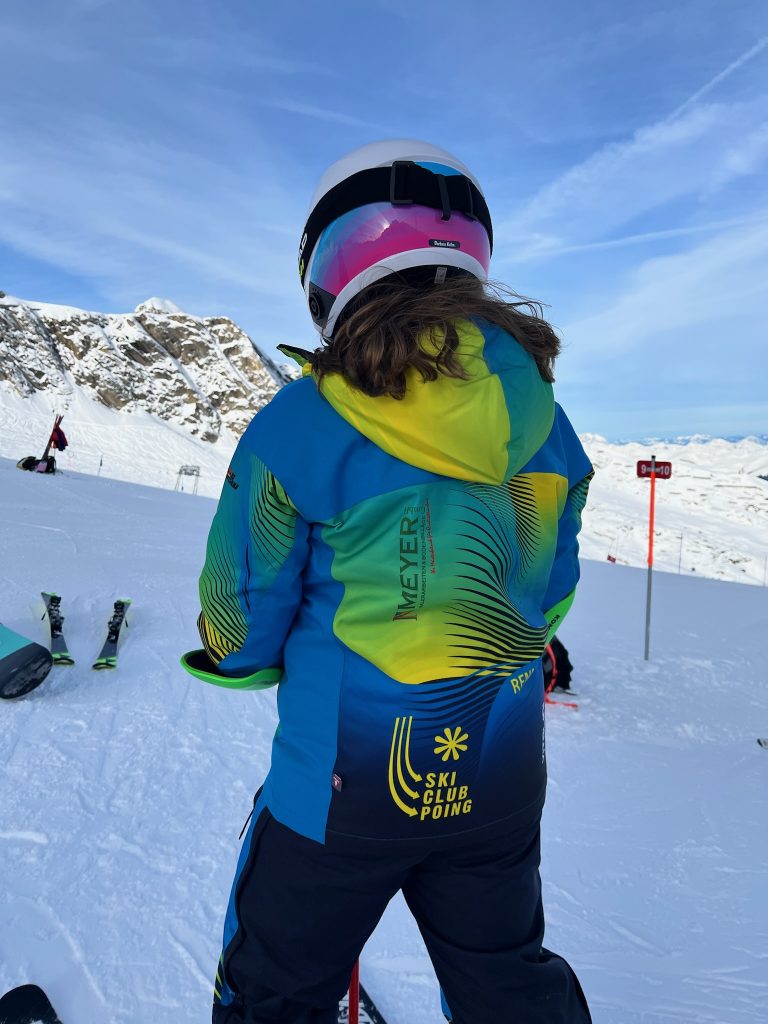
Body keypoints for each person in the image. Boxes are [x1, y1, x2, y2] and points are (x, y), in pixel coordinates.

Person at [189, 140, 593, 1024]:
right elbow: (551, 590)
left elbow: (241, 613)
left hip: (338, 798)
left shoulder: (305, 418)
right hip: (499, 781)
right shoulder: (547, 420)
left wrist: (241, 660)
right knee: (507, 982)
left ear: (328, 271)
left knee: (273, 991)